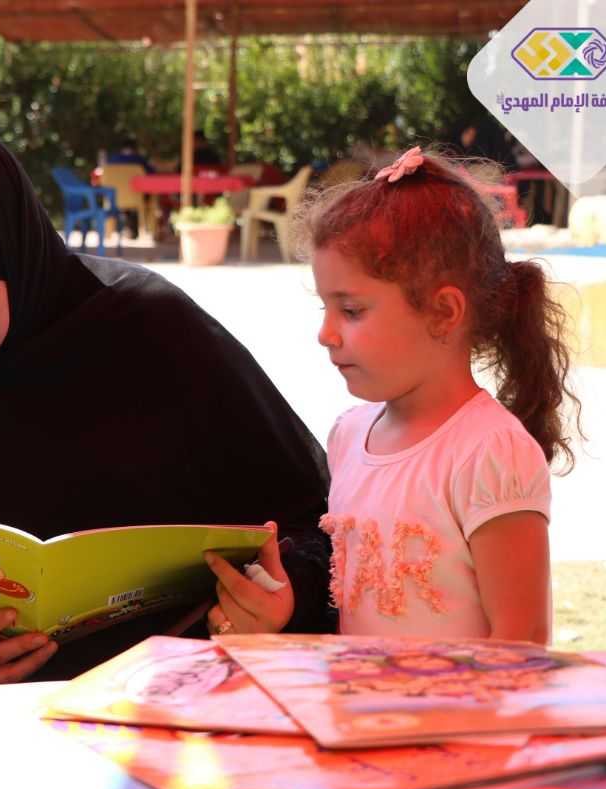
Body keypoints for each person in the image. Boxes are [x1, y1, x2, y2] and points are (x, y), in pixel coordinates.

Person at [0, 123, 335, 686]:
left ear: (14, 253)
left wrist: (278, 600)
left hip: (175, 697)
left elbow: (312, 520)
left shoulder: (149, 329)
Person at [231, 145, 577, 643]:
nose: (326, 334)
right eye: (326, 308)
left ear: (443, 313)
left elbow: (521, 645)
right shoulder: (349, 435)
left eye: (351, 311)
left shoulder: (489, 453)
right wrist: (281, 604)